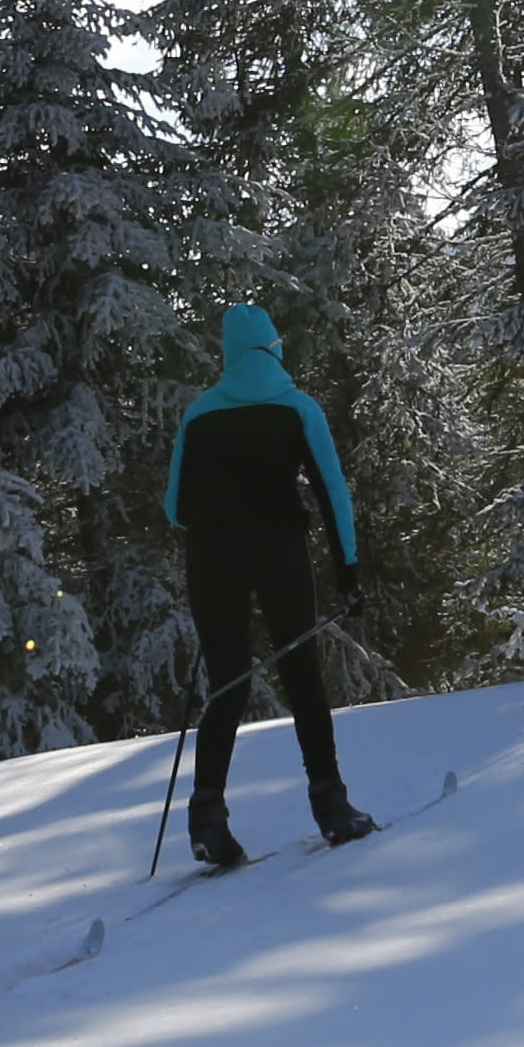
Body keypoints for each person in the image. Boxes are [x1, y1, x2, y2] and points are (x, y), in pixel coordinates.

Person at [162, 302, 377, 869]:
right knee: (302, 676)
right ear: (273, 348)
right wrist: (347, 572)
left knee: (225, 685)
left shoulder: (199, 413)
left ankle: (207, 817)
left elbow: (176, 508)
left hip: (212, 558)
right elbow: (332, 493)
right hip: (279, 551)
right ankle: (331, 806)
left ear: (229, 354)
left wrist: (220, 519)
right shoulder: (297, 407)